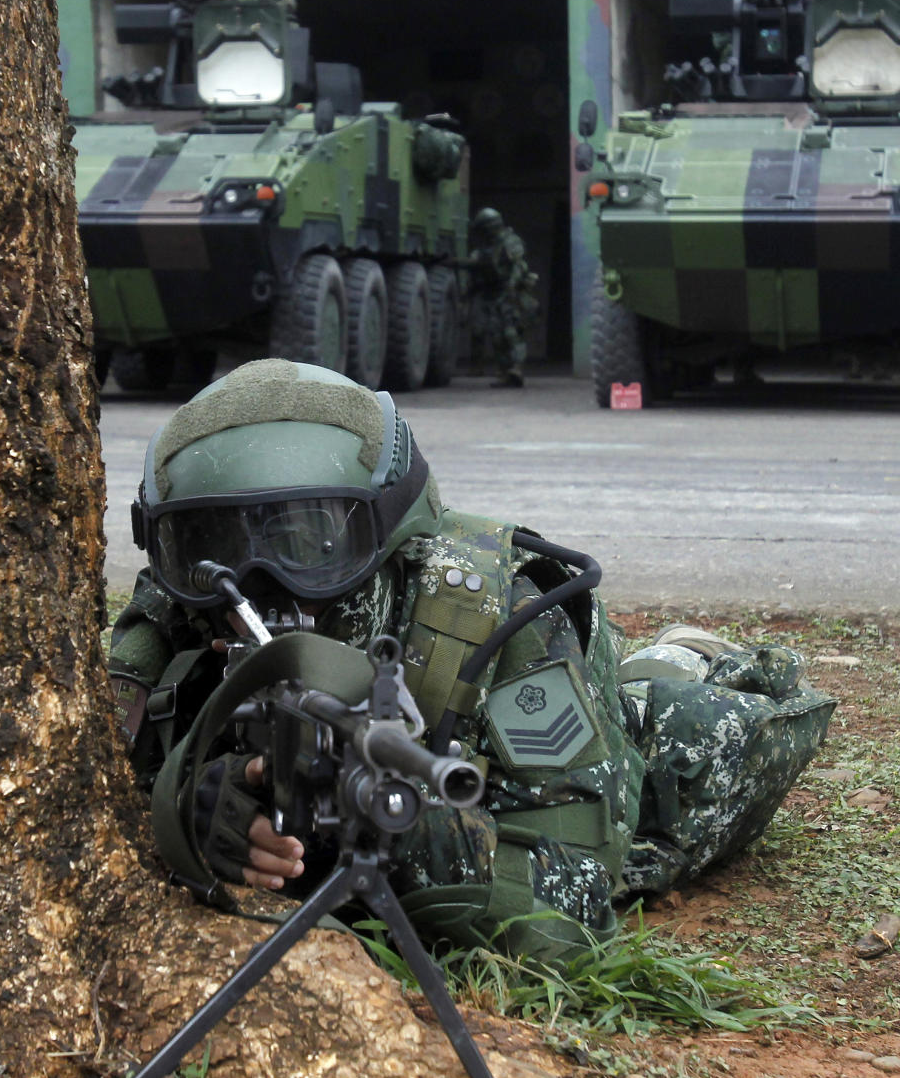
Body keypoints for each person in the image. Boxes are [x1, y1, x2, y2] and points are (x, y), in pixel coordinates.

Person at [109, 358, 835, 964]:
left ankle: (679, 656)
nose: (260, 582)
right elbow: (98, 787)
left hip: (583, 743)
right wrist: (191, 805)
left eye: (311, 541)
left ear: (393, 530)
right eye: (214, 544)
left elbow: (576, 894)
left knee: (691, 738)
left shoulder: (503, 618)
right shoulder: (176, 614)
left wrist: (396, 833)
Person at [466, 208, 539, 388]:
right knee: (497, 335)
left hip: (511, 293)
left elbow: (518, 267)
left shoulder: (510, 242)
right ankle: (505, 372)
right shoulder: (488, 247)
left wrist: (512, 289)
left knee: (512, 333)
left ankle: (517, 369)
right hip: (495, 295)